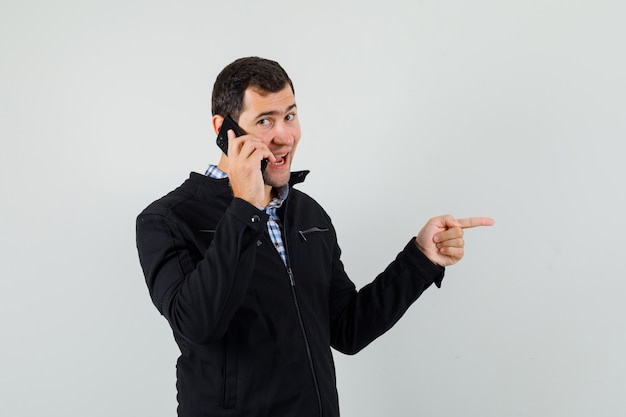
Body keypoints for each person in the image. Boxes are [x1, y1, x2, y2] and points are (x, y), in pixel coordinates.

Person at [135, 56, 494, 417]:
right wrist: (245, 207)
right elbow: (198, 324)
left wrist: (420, 258)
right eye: (265, 121)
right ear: (224, 130)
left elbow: (347, 329)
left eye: (289, 116)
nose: (284, 135)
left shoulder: (308, 215)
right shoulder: (167, 220)